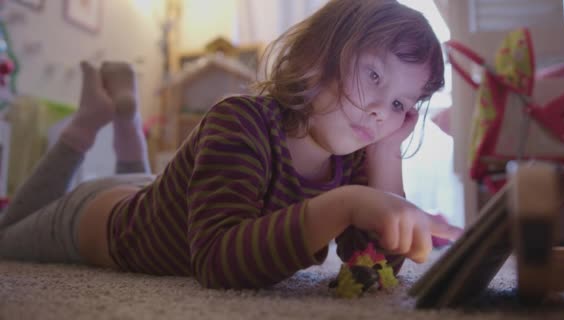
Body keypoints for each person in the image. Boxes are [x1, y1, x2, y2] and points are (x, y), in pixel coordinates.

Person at [0, 0, 462, 289]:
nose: (383, 110)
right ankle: (90, 122)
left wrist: (386, 155)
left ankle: (124, 119)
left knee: (150, 191)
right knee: (7, 236)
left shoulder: (356, 157)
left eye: (402, 102)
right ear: (311, 57)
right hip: (91, 218)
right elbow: (218, 264)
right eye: (374, 75)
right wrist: (346, 203)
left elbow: (371, 268)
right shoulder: (239, 119)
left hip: (153, 192)